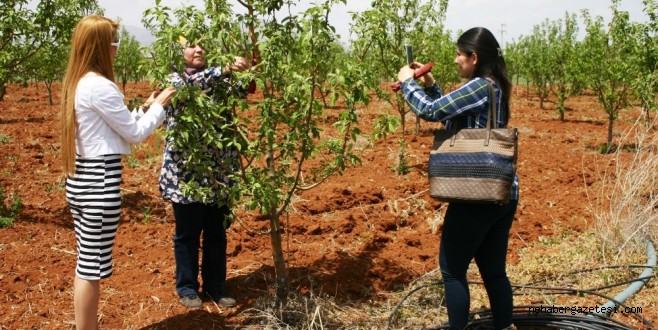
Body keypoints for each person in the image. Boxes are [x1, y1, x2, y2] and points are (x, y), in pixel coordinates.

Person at [397, 27, 518, 330]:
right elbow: (454, 114)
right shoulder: (495, 86)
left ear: (474, 57)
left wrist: (406, 83)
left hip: (475, 192)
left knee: (452, 270)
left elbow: (432, 111)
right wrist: (430, 83)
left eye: (459, 54)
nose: (455, 60)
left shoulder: (479, 86)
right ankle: (504, 327)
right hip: (501, 193)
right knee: (494, 271)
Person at [60, 16, 176, 330]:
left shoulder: (81, 82)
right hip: (100, 184)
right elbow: (136, 134)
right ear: (101, 46)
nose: (116, 49)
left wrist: (145, 106)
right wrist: (161, 106)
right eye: (114, 42)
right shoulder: (100, 85)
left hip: (82, 182)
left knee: (87, 263)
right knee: (90, 269)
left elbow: (117, 128)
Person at [159, 39, 251, 309]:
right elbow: (189, 87)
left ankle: (215, 286)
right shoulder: (174, 79)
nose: (198, 50)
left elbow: (243, 91)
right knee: (187, 234)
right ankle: (187, 288)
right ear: (179, 51)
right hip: (185, 174)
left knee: (216, 233)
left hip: (219, 172)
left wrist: (246, 68)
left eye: (202, 46)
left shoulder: (220, 78)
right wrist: (223, 69)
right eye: (191, 46)